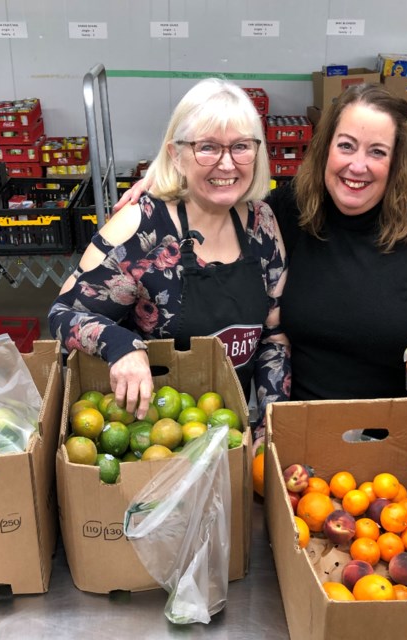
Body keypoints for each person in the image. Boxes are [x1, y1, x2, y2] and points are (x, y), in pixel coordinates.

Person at [117, 83, 407, 404]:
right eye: (346, 145)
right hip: (307, 436)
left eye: (377, 152)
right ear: (326, 148)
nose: (357, 166)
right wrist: (165, 185)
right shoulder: (293, 210)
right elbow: (223, 192)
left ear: (398, 161)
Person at [48, 78, 289, 432]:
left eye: (240, 147)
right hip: (151, 437)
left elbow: (273, 337)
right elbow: (62, 315)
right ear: (176, 154)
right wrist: (120, 345)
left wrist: (269, 429)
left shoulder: (262, 224)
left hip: (229, 432)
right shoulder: (141, 227)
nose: (226, 165)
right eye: (207, 147)